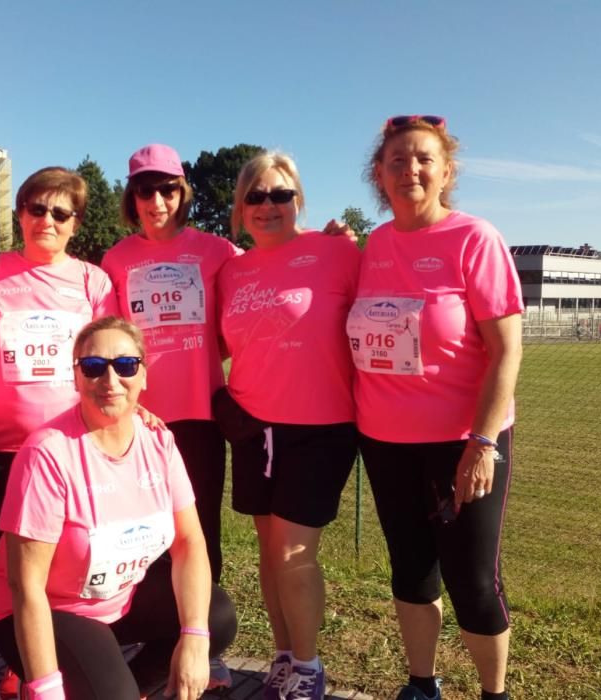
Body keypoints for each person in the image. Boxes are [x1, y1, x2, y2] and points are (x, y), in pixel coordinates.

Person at [347, 115, 522, 700]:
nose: (410, 170)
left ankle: (493, 693)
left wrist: (483, 442)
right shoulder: (372, 244)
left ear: (446, 171)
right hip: (386, 439)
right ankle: (421, 685)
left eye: (423, 159)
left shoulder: (475, 239)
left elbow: (506, 352)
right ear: (379, 175)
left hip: (463, 441)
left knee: (472, 581)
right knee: (412, 572)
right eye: (396, 161)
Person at [0, 317, 237, 700]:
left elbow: (189, 543)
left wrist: (195, 640)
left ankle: (122, 688)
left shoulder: (158, 441)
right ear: (77, 378)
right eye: (94, 367)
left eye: (126, 365)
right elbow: (25, 584)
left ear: (144, 375)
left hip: (117, 600)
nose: (110, 379)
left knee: (215, 617)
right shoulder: (47, 453)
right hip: (50, 610)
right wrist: (45, 689)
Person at [216, 152, 361, 700]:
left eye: (280, 194)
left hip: (320, 427)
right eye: (255, 196)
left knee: (294, 555)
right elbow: (220, 344)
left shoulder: (336, 253)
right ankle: (283, 656)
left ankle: (308, 666)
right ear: (240, 206)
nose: (268, 206)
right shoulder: (233, 269)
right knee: (267, 549)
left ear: (298, 199)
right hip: (254, 426)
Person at [0, 167, 118, 699]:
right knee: (12, 565)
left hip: (74, 446)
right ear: (20, 214)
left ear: (76, 222)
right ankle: (23, 659)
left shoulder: (93, 281)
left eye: (60, 213)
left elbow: (108, 361)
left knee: (70, 558)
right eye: (37, 209)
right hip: (4, 444)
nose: (46, 221)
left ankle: (79, 650)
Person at [101, 144, 241, 689]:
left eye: (167, 189)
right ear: (131, 197)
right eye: (144, 190)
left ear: (183, 193)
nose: (156, 200)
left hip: (200, 418)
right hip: (138, 424)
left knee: (200, 537)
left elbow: (242, 320)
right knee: (142, 537)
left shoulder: (217, 251)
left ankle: (203, 647)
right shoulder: (116, 259)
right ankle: (161, 641)